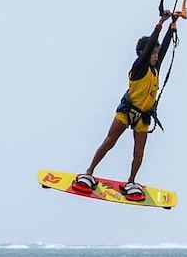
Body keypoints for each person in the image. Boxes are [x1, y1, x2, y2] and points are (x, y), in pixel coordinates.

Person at [72, 10, 176, 201]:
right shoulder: (139, 68)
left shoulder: (154, 68)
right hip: (127, 112)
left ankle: (131, 181)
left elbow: (164, 49)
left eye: (156, 54)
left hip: (143, 117)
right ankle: (88, 172)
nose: (156, 56)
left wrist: (173, 25)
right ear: (145, 54)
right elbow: (150, 47)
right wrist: (161, 22)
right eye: (153, 53)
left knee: (139, 153)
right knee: (110, 141)